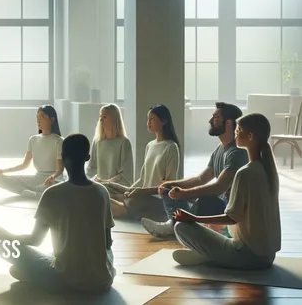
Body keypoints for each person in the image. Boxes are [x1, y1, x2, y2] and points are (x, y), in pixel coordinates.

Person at [0, 133, 115, 292]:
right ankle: (36, 274)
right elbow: (107, 243)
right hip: (101, 280)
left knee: (0, 244)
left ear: (62, 156)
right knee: (107, 252)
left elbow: (35, 240)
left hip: (65, 279)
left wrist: (7, 235)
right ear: (87, 157)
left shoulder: (52, 194)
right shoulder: (102, 192)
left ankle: (35, 275)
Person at [172, 113, 280, 269]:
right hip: (268, 256)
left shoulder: (245, 173)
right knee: (216, 229)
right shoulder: (268, 171)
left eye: (239, 129)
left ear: (250, 136)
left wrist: (193, 218)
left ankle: (207, 254)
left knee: (181, 227)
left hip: (248, 256)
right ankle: (208, 254)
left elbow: (231, 218)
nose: (235, 132)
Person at [142, 102, 248, 238]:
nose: (210, 121)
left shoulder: (236, 153)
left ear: (228, 123)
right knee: (169, 190)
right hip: (218, 206)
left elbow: (219, 187)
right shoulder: (219, 150)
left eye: (215, 118)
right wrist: (173, 184)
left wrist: (184, 194)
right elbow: (201, 179)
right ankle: (175, 223)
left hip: (229, 211)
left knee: (206, 200)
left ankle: (175, 225)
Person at [104, 105, 180, 220]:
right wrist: (128, 191)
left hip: (156, 199)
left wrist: (140, 192)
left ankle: (125, 209)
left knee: (126, 201)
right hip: (142, 195)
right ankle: (124, 206)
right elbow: (143, 179)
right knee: (106, 187)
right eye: (147, 119)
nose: (148, 122)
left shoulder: (171, 147)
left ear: (163, 121)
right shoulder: (150, 145)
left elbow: (168, 185)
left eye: (152, 119)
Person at [0, 105, 64, 199]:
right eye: (37, 117)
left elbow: (60, 170)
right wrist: (2, 171)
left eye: (42, 117)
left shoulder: (59, 141)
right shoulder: (33, 140)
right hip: (37, 179)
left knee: (54, 187)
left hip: (53, 180)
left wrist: (52, 177)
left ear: (52, 120)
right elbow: (24, 165)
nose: (38, 120)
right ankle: (30, 192)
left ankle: (32, 192)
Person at [86, 104, 134, 186]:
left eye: (104, 117)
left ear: (114, 119)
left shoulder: (124, 143)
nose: (101, 119)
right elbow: (91, 168)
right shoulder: (97, 141)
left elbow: (126, 173)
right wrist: (94, 180)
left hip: (116, 189)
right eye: (100, 117)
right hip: (98, 188)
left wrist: (108, 182)